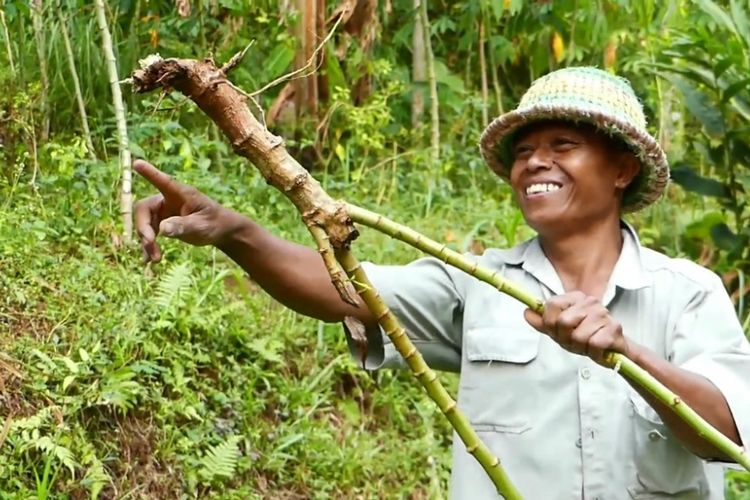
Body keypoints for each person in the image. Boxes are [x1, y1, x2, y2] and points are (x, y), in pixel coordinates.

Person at [133, 67, 750, 499]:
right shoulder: (478, 283)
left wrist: (627, 355)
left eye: (564, 144)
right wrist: (233, 230)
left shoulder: (687, 292)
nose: (535, 161)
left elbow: (727, 435)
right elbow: (341, 291)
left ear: (622, 169)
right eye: (524, 150)